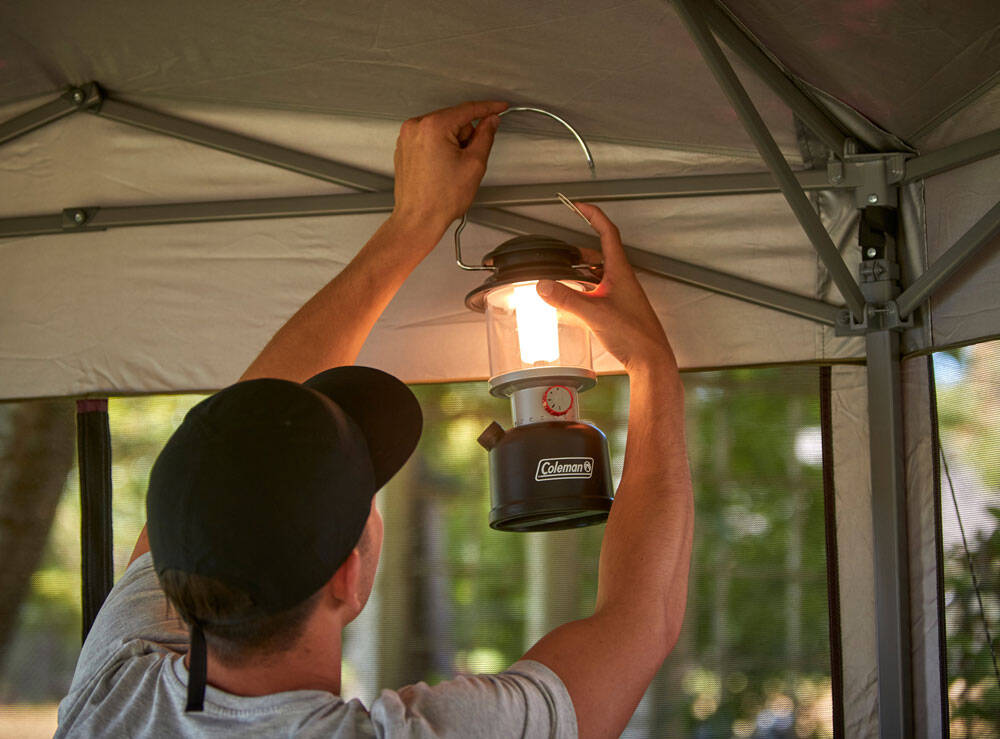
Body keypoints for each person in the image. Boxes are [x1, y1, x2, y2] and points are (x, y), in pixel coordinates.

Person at [55, 100, 694, 738]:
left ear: (174, 569)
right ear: (348, 574)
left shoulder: (115, 697)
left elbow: (237, 443)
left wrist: (413, 223)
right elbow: (643, 619)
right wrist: (651, 362)